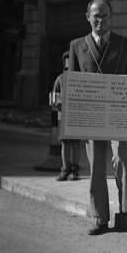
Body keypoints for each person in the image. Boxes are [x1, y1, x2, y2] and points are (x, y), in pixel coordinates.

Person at [69, 0, 127, 235]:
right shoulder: (77, 45)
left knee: (123, 161)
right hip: (92, 117)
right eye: (96, 15)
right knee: (97, 168)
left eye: (105, 16)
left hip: (119, 116)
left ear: (111, 17)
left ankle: (126, 208)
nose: (100, 20)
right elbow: (74, 83)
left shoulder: (124, 44)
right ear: (88, 17)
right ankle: (100, 217)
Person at [51, 51, 81, 181]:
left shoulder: (81, 78)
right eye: (67, 61)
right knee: (65, 144)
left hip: (77, 116)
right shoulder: (60, 79)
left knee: (75, 144)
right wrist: (57, 105)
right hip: (63, 116)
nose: (69, 63)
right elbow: (54, 97)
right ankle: (65, 169)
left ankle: (74, 170)